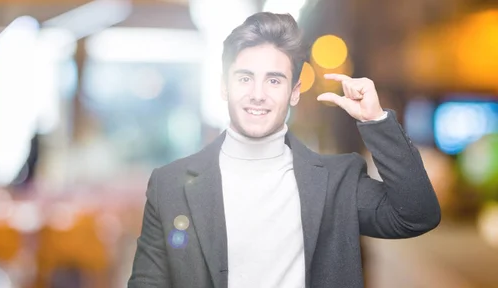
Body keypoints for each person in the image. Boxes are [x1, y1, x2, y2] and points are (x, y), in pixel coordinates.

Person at [128, 12, 441, 288]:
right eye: (244, 78)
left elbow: (417, 215)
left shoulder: (336, 183)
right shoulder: (169, 185)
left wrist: (375, 121)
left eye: (274, 81)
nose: (258, 94)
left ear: (294, 93)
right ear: (224, 86)